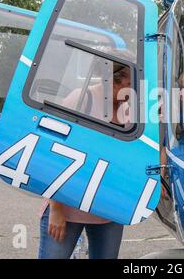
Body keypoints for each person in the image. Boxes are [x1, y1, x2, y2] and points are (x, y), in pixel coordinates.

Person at [38, 63, 132, 259]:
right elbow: (52, 151)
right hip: (68, 206)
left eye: (134, 84)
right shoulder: (81, 98)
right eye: (127, 82)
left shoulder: (131, 107)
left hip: (109, 210)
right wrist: (55, 209)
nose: (130, 89)